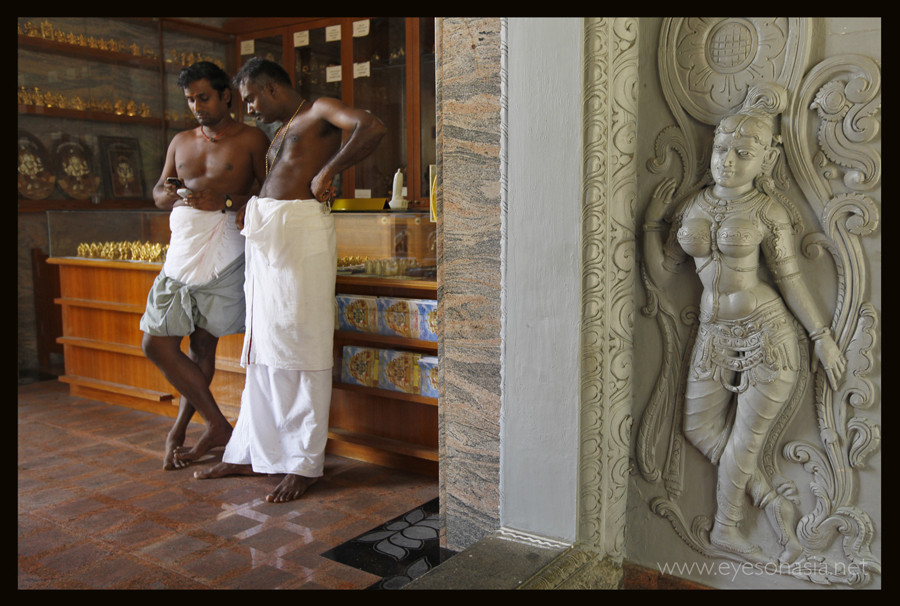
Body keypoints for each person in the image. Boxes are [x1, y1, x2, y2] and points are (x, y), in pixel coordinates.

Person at [642, 84, 846, 564]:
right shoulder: (693, 207)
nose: (727, 161)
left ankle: (726, 531)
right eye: (721, 149)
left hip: (767, 334)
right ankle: (772, 502)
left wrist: (821, 338)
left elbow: (792, 279)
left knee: (743, 441)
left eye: (743, 152)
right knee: (698, 428)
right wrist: (653, 222)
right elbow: (666, 270)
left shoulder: (766, 211)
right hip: (714, 334)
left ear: (766, 160)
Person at [194, 58, 386, 503]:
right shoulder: (282, 129)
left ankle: (303, 463)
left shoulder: (319, 109)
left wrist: (330, 170)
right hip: (269, 238)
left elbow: (371, 127)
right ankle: (249, 451)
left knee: (302, 345)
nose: (250, 109)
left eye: (252, 99)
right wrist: (254, 202)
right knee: (264, 349)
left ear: (270, 88)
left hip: (302, 236)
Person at [140, 61, 270, 471]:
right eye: (190, 99)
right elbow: (159, 192)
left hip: (225, 251)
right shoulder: (180, 141)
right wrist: (177, 193)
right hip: (180, 250)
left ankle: (182, 429)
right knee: (155, 343)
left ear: (226, 96)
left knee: (201, 346)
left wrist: (227, 202)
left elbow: (270, 194)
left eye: (203, 97)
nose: (196, 105)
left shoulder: (252, 140)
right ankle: (217, 425)